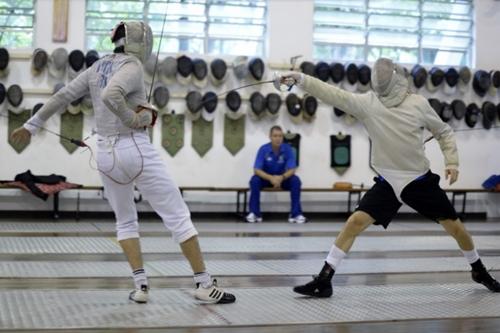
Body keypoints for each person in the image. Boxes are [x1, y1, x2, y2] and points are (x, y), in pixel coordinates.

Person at [10, 21, 235, 304]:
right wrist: (133, 119)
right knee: (177, 215)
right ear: (140, 42)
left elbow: (64, 95)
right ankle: (203, 283)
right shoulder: (132, 66)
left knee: (125, 220)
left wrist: (31, 126)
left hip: (104, 154)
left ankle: (140, 286)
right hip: (134, 148)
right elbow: (110, 95)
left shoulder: (97, 67)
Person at [279, 57, 500, 297]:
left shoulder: (418, 104)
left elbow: (444, 131)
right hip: (388, 181)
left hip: (418, 180)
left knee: (456, 229)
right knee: (354, 223)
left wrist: (453, 162)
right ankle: (325, 279)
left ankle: (478, 270)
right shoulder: (368, 103)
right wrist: (301, 78)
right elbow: (331, 93)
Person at [246, 125, 307, 223]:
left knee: (295, 180)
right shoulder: (263, 149)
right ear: (270, 137)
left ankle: (295, 214)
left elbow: (292, 169)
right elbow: (256, 169)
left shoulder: (287, 149)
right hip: (266, 178)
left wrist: (281, 177)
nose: (278, 138)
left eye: (280, 136)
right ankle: (255, 213)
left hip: (282, 179)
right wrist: (270, 178)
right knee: (254, 180)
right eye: (275, 136)